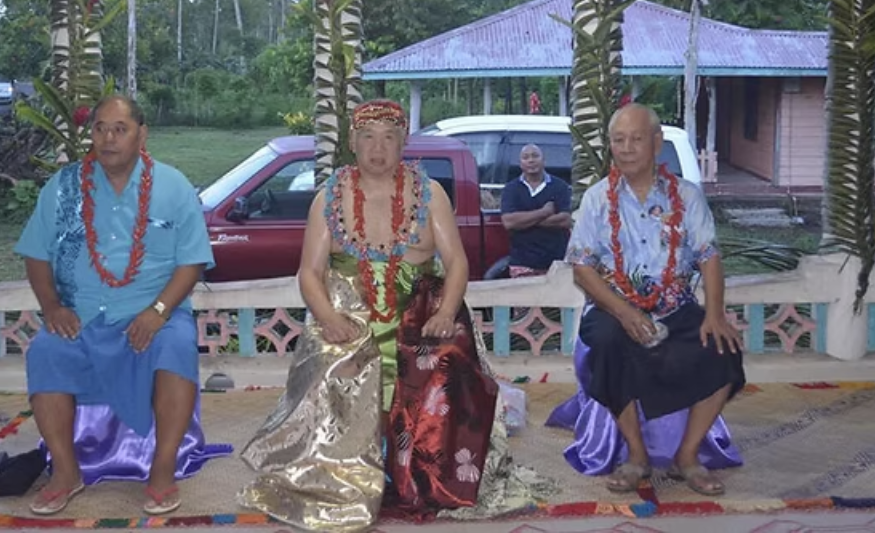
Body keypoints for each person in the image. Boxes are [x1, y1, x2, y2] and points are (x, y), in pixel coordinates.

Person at [240, 100, 555, 532]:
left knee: (445, 358)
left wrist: (446, 311)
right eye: (368, 137)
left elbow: (457, 263)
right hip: (348, 313)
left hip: (420, 311)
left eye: (389, 137)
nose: (378, 148)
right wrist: (329, 317)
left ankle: (426, 482)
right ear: (352, 142)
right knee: (335, 364)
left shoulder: (429, 194)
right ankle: (342, 480)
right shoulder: (328, 198)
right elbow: (309, 273)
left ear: (404, 142)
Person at [15, 95, 224, 516]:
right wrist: (52, 306)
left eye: (120, 129)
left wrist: (159, 311)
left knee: (176, 347)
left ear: (142, 134)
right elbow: (36, 253)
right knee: (47, 350)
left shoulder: (173, 186)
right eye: (100, 129)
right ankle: (66, 473)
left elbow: (192, 260)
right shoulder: (64, 186)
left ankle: (162, 470)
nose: (108, 138)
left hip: (155, 312)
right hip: (83, 313)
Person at [560, 103, 745, 496]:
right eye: (618, 140)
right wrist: (624, 311)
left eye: (636, 138)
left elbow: (709, 255)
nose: (626, 148)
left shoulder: (687, 196)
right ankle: (637, 457)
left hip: (676, 308)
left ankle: (688, 456)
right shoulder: (597, 199)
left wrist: (714, 314)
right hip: (613, 308)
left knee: (723, 350)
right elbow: (582, 268)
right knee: (608, 341)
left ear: (657, 143)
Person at [500, 144, 571, 279]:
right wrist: (544, 212)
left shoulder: (560, 186)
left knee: (555, 301)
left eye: (535, 156)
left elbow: (565, 220)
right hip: (522, 263)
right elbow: (509, 222)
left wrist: (525, 220)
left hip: (556, 263)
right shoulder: (511, 189)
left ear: (544, 160)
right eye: (526, 157)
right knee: (524, 300)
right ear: (520, 163)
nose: (531, 160)